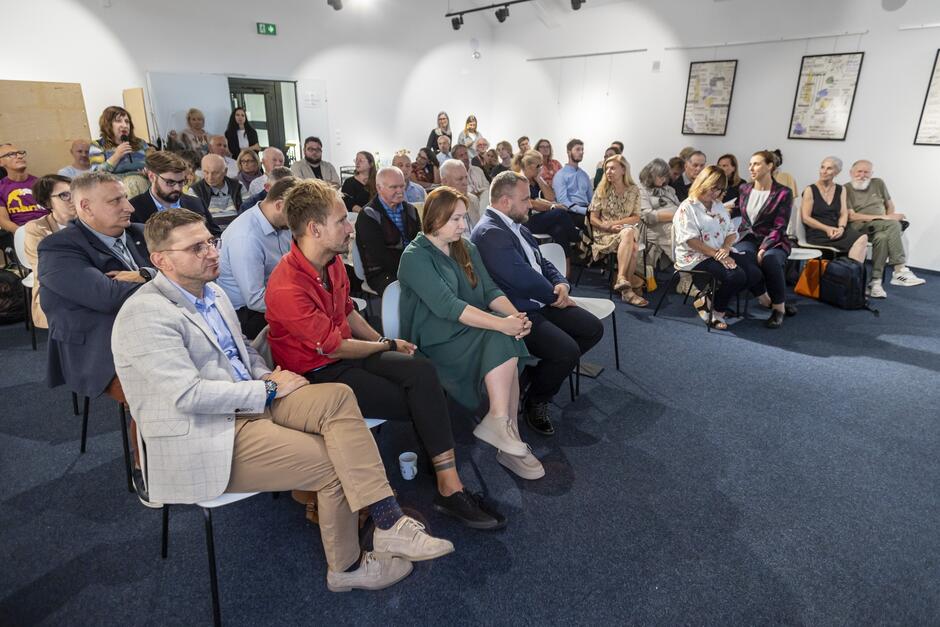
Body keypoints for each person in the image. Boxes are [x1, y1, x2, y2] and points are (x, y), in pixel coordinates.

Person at [112, 207, 453, 593]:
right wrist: (268, 389)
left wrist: (264, 375)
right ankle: (347, 567)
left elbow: (241, 349)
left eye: (211, 241)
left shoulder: (213, 292)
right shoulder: (145, 314)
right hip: (209, 431)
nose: (211, 253)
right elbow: (188, 396)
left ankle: (388, 521)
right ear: (160, 260)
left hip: (252, 400)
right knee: (331, 461)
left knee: (339, 397)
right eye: (196, 248)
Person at [264, 180, 504, 529]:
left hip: (347, 355)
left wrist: (382, 342)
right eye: (342, 221)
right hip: (317, 374)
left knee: (422, 371)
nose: (350, 227)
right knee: (418, 397)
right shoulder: (287, 284)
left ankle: (445, 481)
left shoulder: (330, 263)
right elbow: (333, 347)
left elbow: (347, 313)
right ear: (315, 229)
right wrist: (386, 346)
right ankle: (448, 485)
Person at [398, 187, 542, 480]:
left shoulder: (465, 247)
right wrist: (502, 324)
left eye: (464, 218)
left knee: (508, 339)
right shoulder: (414, 256)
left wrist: (514, 316)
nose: (464, 226)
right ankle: (505, 433)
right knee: (503, 337)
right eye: (456, 219)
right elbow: (448, 306)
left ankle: (504, 429)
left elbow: (489, 291)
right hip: (436, 338)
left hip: (466, 326)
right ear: (435, 219)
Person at [472, 171, 603, 435]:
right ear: (506, 202)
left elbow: (541, 262)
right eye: (526, 199)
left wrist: (562, 284)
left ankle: (535, 377)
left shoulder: (514, 224)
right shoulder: (489, 232)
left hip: (540, 301)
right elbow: (523, 278)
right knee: (567, 351)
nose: (531, 204)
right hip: (516, 311)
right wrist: (556, 297)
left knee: (592, 329)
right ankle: (536, 399)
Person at [38, 171, 154, 437]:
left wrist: (147, 275)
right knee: (158, 393)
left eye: (125, 197)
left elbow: (189, 274)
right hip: (100, 346)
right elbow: (109, 297)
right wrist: (166, 279)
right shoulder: (58, 248)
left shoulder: (141, 232)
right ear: (85, 207)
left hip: (154, 332)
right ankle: (146, 467)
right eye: (116, 201)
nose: (130, 207)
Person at [673, 166, 762, 330]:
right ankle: (716, 311)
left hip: (719, 251)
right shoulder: (687, 208)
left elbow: (731, 232)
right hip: (695, 256)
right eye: (713, 188)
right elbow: (690, 241)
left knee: (754, 273)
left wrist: (726, 248)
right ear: (703, 182)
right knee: (736, 276)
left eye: (720, 189)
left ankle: (708, 300)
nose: (716, 193)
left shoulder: (718, 205)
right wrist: (718, 255)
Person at [216, 177, 296, 339]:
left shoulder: (280, 220)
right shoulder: (246, 237)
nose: (299, 220)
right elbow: (255, 299)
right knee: (310, 329)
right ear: (280, 205)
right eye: (297, 213)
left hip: (274, 296)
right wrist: (300, 305)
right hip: (246, 314)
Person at [730, 151, 794, 329]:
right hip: (748, 237)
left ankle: (778, 309)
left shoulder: (783, 193)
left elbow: (780, 225)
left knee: (770, 260)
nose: (751, 168)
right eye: (750, 164)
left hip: (775, 239)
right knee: (743, 257)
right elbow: (737, 212)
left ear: (770, 166)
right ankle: (764, 298)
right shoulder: (744, 189)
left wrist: (764, 248)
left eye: (756, 164)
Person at [845, 160, 925, 296]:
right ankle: (899, 269)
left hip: (880, 227)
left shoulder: (878, 183)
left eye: (866, 172)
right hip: (861, 226)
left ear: (871, 173)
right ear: (851, 172)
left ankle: (875, 283)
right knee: (894, 223)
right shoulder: (845, 189)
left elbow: (890, 206)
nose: (862, 175)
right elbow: (852, 217)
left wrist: (887, 219)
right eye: (859, 171)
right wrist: (886, 219)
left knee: (882, 237)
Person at [589, 154, 646, 307]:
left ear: (623, 170)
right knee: (633, 246)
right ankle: (626, 289)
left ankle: (621, 279)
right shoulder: (601, 190)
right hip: (604, 233)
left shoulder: (634, 190)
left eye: (613, 168)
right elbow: (593, 218)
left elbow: (636, 217)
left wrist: (615, 223)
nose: (608, 171)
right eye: (606, 168)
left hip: (624, 229)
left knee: (628, 232)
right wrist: (605, 226)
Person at [23, 175, 76, 329]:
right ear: (47, 202)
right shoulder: (36, 228)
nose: (72, 198)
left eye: (74, 192)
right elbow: (46, 269)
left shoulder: (91, 221)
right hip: (55, 288)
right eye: (64, 195)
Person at [355, 167, 419, 294]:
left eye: (402, 186)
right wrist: (411, 270)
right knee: (414, 290)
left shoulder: (411, 210)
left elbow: (419, 243)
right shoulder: (368, 215)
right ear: (379, 188)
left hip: (412, 267)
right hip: (381, 272)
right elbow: (380, 256)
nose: (400, 191)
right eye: (394, 187)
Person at [129, 151, 221, 237]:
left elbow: (215, 235)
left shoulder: (196, 203)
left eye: (181, 182)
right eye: (170, 182)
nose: (177, 188)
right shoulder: (133, 209)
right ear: (152, 177)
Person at [800, 157, 868, 263]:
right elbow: (806, 218)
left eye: (829, 168)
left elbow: (843, 213)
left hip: (836, 230)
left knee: (862, 238)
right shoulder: (810, 190)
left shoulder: (841, 190)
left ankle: (851, 274)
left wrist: (841, 228)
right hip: (818, 232)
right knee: (858, 244)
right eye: (822, 167)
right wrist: (826, 229)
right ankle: (849, 274)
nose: (824, 171)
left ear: (837, 172)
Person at [513, 150, 579, 259]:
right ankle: (578, 239)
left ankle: (565, 271)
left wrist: (539, 179)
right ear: (528, 166)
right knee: (560, 213)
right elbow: (530, 202)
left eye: (541, 165)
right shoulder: (518, 180)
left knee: (559, 230)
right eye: (538, 165)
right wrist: (551, 206)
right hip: (525, 222)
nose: (541, 168)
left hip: (538, 218)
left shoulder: (535, 180)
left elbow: (550, 197)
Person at [89, 105, 150, 197]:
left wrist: (149, 172)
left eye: (127, 121)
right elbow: (95, 176)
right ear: (108, 125)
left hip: (145, 188)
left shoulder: (140, 143)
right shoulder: (97, 145)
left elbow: (155, 167)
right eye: (118, 121)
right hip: (116, 192)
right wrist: (116, 156)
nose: (125, 125)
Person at [638, 158, 679, 273]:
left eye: (665, 176)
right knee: (677, 235)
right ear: (650, 175)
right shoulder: (641, 190)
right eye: (660, 176)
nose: (664, 179)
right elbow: (647, 215)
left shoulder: (669, 190)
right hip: (654, 226)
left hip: (675, 222)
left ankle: (696, 276)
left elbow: (680, 206)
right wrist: (674, 216)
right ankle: (686, 279)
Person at [0, 144, 47, 236]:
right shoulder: (1, 187)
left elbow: (55, 211)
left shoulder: (42, 183)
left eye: (20, 153)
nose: (19, 156)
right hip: (22, 232)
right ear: (1, 162)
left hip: (48, 228)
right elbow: (3, 220)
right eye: (11, 154)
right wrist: (24, 233)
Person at [191, 154, 243, 223]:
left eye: (215, 173)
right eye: (206, 172)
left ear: (225, 171)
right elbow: (194, 220)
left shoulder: (238, 186)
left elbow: (248, 212)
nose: (210, 177)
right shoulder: (195, 190)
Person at [551, 138, 593, 223]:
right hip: (571, 212)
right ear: (569, 152)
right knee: (594, 223)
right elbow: (563, 201)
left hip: (587, 210)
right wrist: (585, 211)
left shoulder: (584, 175)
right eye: (577, 149)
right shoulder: (560, 175)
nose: (581, 152)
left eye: (582, 150)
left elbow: (592, 199)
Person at [440, 159, 481, 227]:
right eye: (460, 179)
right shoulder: (437, 207)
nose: (465, 183)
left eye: (466, 177)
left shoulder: (473, 200)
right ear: (445, 182)